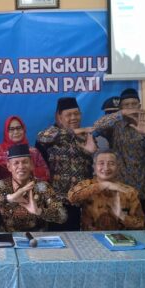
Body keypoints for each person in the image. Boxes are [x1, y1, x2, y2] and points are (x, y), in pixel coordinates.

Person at [93, 88, 145, 218]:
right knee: (117, 226)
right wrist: (121, 113)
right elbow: (97, 126)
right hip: (117, 188)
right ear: (121, 108)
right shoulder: (114, 127)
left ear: (139, 106)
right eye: (126, 105)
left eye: (133, 104)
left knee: (140, 225)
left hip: (140, 191)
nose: (131, 107)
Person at [36, 97, 102, 231]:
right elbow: (41, 137)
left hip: (83, 200)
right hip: (59, 201)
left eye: (76, 114)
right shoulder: (51, 134)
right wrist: (74, 131)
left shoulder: (87, 136)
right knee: (60, 239)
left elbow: (97, 167)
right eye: (69, 115)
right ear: (59, 117)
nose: (73, 117)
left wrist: (92, 153)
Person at [0, 144, 66, 232]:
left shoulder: (42, 186)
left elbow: (62, 216)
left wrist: (39, 211)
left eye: (25, 162)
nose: (21, 167)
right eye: (16, 163)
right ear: (9, 167)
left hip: (37, 236)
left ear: (31, 165)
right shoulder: (1, 186)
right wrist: (8, 198)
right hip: (8, 236)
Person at [68, 151, 145, 231]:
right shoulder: (87, 185)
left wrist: (122, 216)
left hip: (120, 237)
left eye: (111, 163)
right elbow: (72, 197)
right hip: (91, 236)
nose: (106, 168)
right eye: (101, 163)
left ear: (118, 167)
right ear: (94, 167)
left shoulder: (128, 191)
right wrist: (104, 185)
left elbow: (142, 224)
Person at [0, 115, 49, 181]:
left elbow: (46, 173)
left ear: (24, 129)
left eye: (19, 128)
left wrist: (31, 170)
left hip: (31, 185)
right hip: (5, 186)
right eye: (11, 129)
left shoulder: (33, 152)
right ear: (6, 132)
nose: (16, 132)